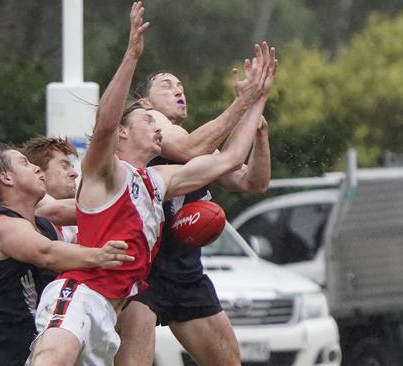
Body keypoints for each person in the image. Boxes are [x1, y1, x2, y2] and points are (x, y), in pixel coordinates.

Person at [29, 2, 277, 365]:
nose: (157, 125)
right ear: (127, 130)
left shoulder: (156, 179)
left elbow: (228, 160)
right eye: (148, 117)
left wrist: (257, 97)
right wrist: (131, 56)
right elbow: (107, 123)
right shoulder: (106, 169)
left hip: (127, 291)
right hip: (87, 294)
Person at [115, 57, 274, 366]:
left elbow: (252, 182)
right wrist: (244, 102)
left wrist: (259, 127)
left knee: (228, 362)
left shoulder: (200, 148)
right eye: (167, 84)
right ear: (145, 102)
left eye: (181, 85)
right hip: (143, 273)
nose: (178, 90)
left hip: (185, 273)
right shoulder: (148, 120)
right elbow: (188, 149)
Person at [0, 143, 133, 366]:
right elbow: (48, 253)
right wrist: (100, 255)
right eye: (25, 163)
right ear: (6, 178)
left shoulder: (44, 228)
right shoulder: (0, 223)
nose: (37, 168)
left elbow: (85, 216)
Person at [20, 136, 79, 243]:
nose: (75, 174)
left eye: (72, 167)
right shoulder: (27, 204)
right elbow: (57, 210)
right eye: (64, 167)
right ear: (38, 171)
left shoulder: (68, 228)